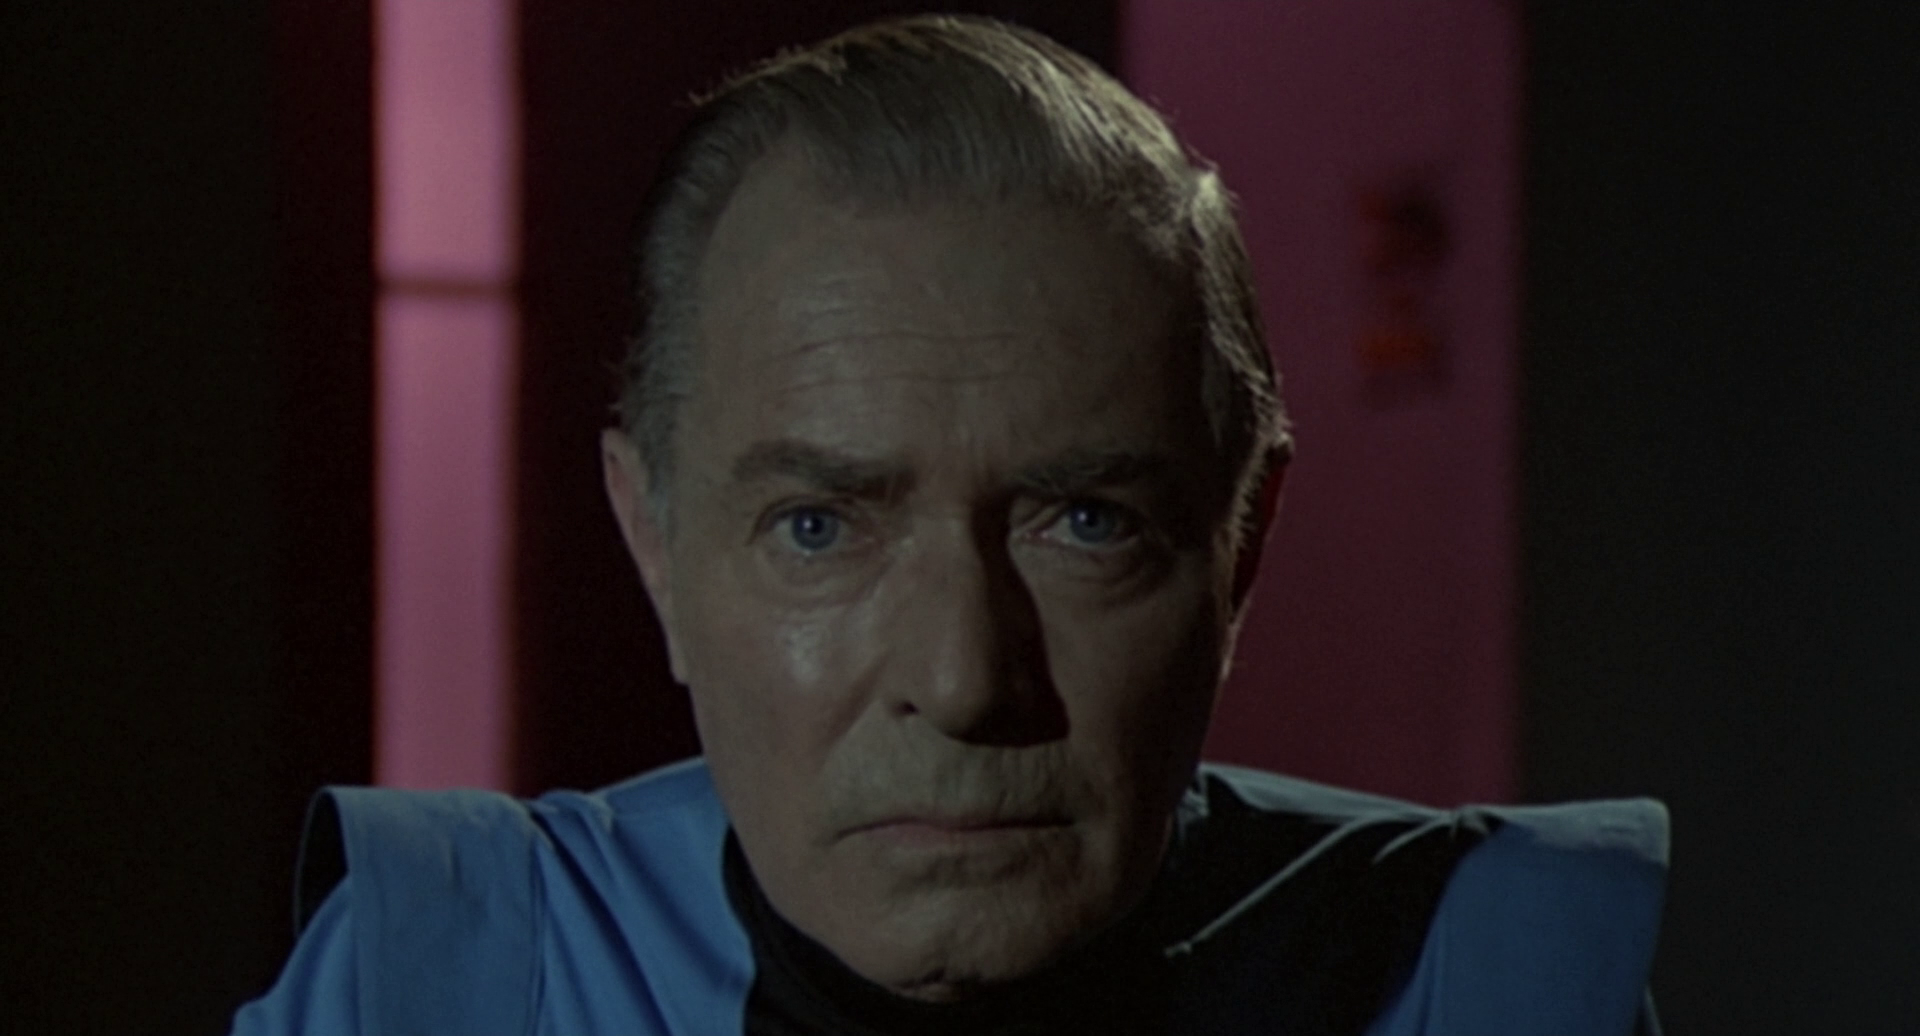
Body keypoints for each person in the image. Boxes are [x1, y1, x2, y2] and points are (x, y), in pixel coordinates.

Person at [231, 15, 1665, 1035]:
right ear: (653, 545)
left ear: (1242, 545)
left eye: (1086, 521)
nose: (966, 676)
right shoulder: (444, 979)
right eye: (818, 529)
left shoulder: (1481, 986)